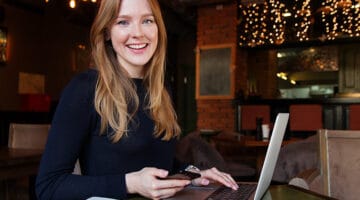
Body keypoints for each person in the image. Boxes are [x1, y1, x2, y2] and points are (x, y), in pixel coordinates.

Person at [35, 0, 238, 199]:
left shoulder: (161, 89)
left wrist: (194, 175)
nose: (138, 33)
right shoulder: (84, 89)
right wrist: (130, 184)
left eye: (147, 21)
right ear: (106, 31)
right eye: (123, 22)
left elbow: (161, 165)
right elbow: (49, 185)